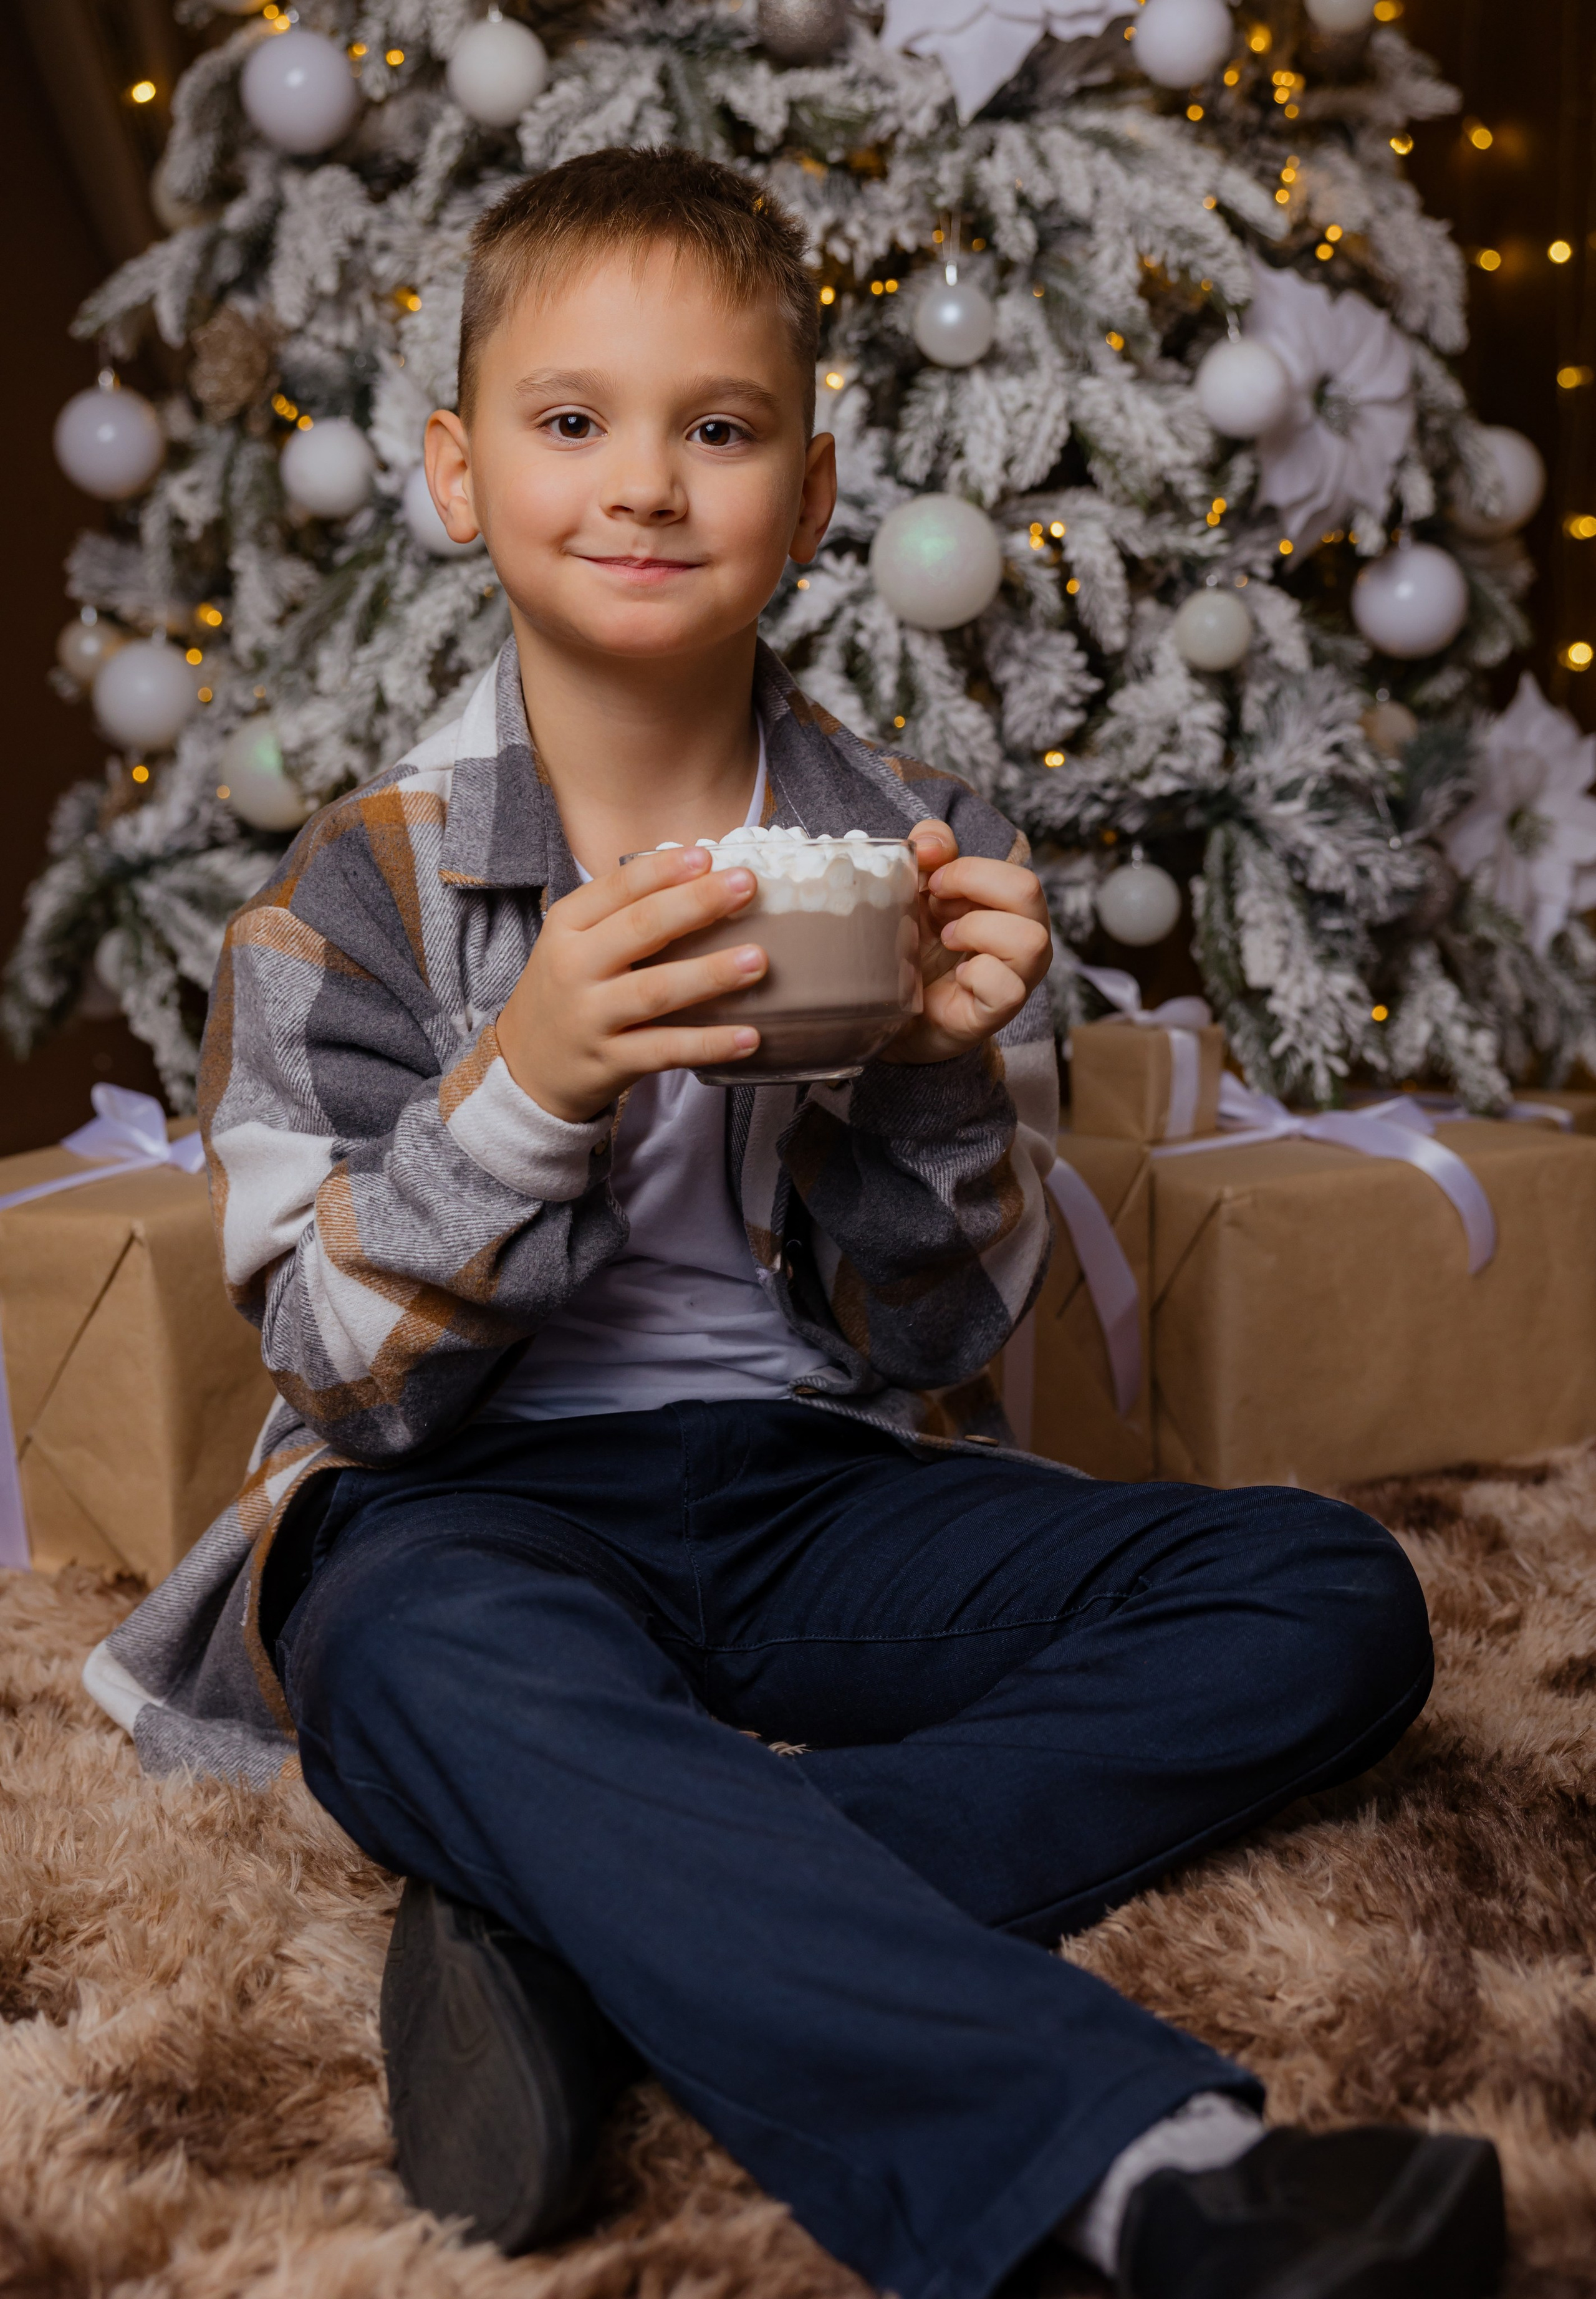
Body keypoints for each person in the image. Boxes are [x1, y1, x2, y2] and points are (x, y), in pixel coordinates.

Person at [84, 147, 1504, 2299]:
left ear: (815, 491)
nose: (645, 484)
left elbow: (937, 1345)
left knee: (1326, 1594)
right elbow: (330, 1377)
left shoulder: (910, 850)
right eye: (574, 424)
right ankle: (1145, 2185)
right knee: (419, 1664)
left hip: (810, 1494)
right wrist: (534, 1083)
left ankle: (580, 1940)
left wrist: (938, 1058)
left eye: (718, 429)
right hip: (466, 1512)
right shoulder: (351, 892)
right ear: (462, 475)